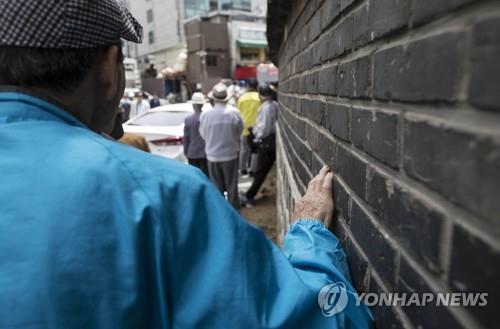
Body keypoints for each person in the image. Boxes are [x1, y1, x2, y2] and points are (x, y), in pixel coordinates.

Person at [0, 1, 373, 328]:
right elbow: (318, 319)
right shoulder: (162, 194)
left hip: (215, 156)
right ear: (110, 68)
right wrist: (310, 236)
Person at [199, 83, 244, 209]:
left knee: (217, 187)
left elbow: (203, 135)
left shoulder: (206, 115)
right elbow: (239, 131)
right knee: (232, 186)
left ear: (213, 98)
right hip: (230, 155)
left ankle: (221, 212)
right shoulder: (234, 113)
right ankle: (234, 213)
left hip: (213, 156)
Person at [241, 84, 279, 208]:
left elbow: (264, 129)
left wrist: (255, 134)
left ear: (261, 95)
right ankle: (249, 195)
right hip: (271, 142)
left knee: (260, 172)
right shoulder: (274, 105)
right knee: (260, 171)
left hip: (265, 143)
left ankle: (249, 196)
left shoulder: (266, 108)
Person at [237, 78, 261, 175]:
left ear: (248, 87)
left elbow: (238, 112)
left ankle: (242, 169)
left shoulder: (242, 98)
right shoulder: (259, 97)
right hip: (256, 128)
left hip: (244, 128)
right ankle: (253, 170)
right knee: (255, 150)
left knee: (244, 150)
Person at [184, 92, 209, 176]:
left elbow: (186, 138)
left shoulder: (188, 119)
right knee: (206, 176)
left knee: (195, 176)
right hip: (206, 152)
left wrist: (186, 151)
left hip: (192, 152)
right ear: (203, 105)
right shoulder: (207, 117)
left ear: (193, 105)